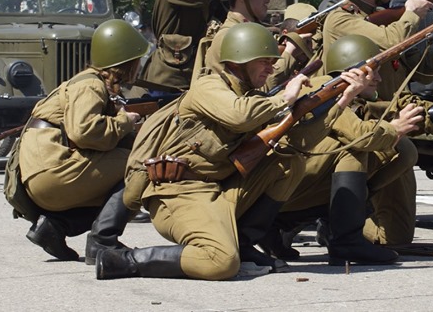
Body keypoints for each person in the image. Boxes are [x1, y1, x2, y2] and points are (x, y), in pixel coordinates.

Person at [96, 22, 373, 280]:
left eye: (273, 61)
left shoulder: (253, 98)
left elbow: (298, 141)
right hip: (177, 193)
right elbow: (239, 116)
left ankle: (244, 242)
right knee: (220, 262)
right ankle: (125, 260)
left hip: (217, 189)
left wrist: (344, 98)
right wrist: (284, 98)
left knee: (289, 162)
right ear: (240, 59)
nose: (272, 67)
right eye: (265, 61)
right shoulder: (208, 87)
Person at [321, 0, 433, 245]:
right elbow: (389, 42)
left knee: (397, 238)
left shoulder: (386, 20)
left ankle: (344, 223)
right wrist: (411, 14)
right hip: (359, 129)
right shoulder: (341, 20)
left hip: (392, 126)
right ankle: (337, 222)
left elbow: (426, 69)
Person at [272, 34, 422, 266]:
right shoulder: (320, 90)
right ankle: (345, 241)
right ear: (354, 72)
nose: (380, 79)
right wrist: (395, 128)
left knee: (402, 149)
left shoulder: (348, 95)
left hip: (295, 186)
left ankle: (339, 222)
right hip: (280, 190)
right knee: (354, 149)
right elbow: (359, 137)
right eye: (374, 72)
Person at [18, 19, 151, 263]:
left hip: (43, 174)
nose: (140, 65)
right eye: (137, 60)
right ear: (124, 61)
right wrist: (126, 121)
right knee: (141, 166)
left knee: (121, 170)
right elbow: (85, 132)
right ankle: (103, 240)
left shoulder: (90, 82)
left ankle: (55, 227)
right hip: (53, 172)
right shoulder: (91, 84)